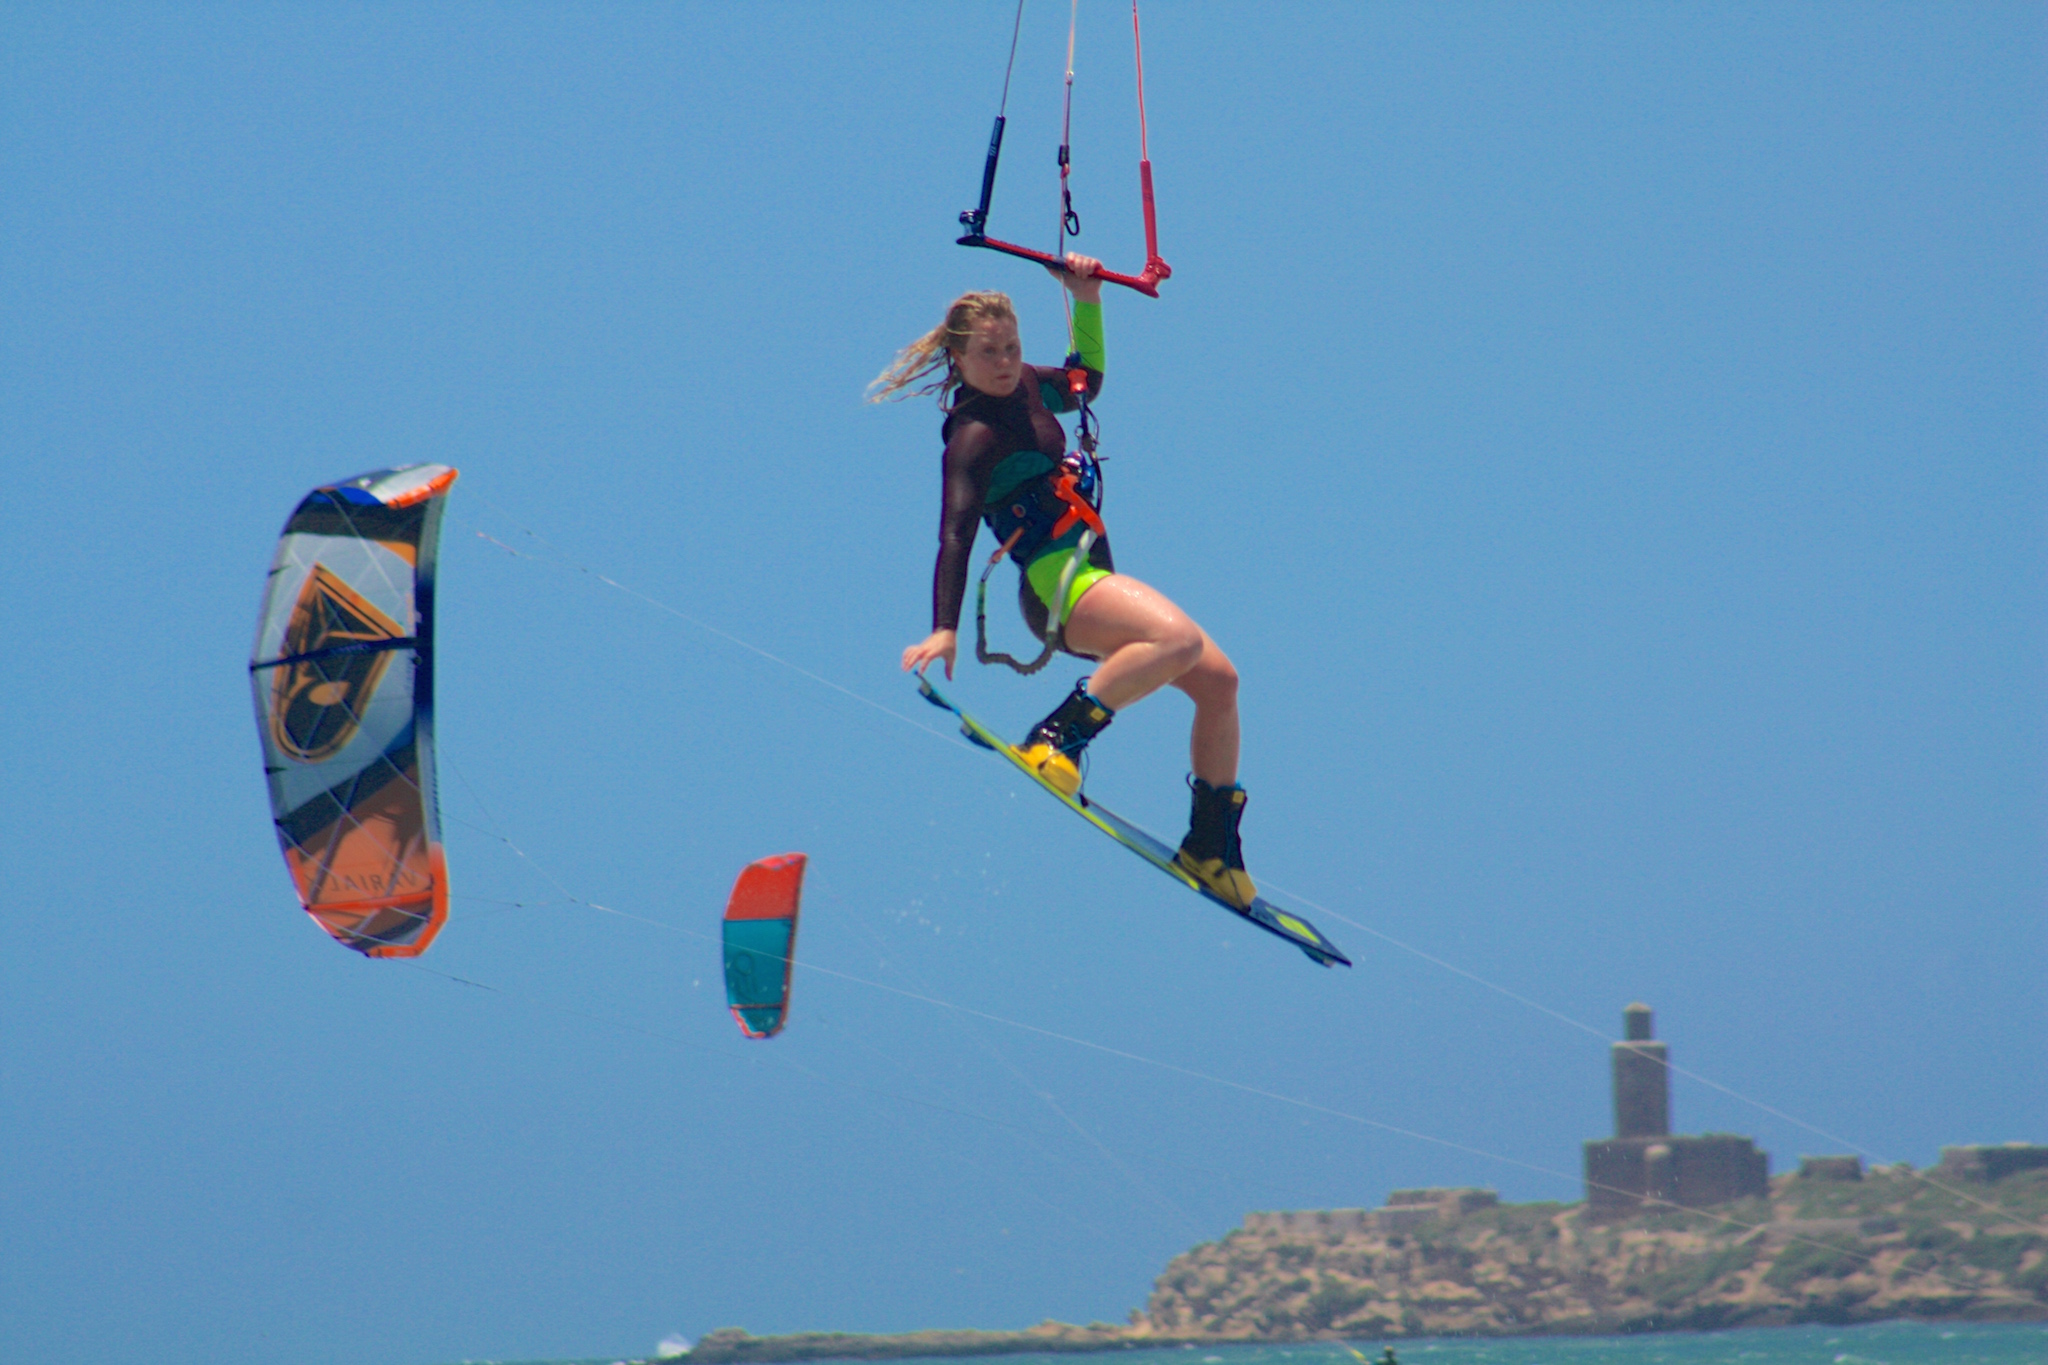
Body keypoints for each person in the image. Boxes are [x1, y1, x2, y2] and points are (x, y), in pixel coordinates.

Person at [871, 254, 1256, 910]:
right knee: (1179, 641)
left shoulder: (1025, 385)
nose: (1005, 362)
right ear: (958, 360)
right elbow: (955, 535)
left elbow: (1085, 383)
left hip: (1091, 571)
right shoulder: (971, 437)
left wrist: (1086, 299)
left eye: (1012, 348)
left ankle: (1211, 843)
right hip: (1054, 587)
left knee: (1220, 682)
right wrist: (944, 628)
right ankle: (1053, 740)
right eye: (988, 352)